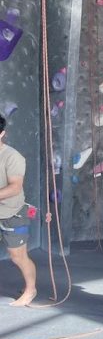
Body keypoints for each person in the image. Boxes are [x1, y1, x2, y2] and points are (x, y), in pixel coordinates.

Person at [0, 114, 37, 307]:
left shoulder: (13, 157)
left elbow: (14, 187)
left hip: (12, 214)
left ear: (2, 134)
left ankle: (30, 290)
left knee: (17, 256)